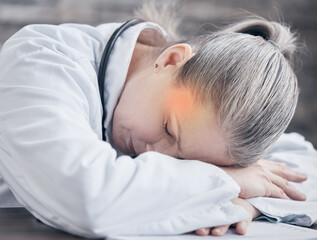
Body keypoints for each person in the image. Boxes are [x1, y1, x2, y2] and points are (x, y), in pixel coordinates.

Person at [0, 1, 316, 238]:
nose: (156, 155)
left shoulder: (205, 121)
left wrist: (251, 203)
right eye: (168, 128)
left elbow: (304, 168)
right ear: (171, 59)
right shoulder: (40, 58)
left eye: (189, 160)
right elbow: (85, 197)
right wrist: (229, 182)